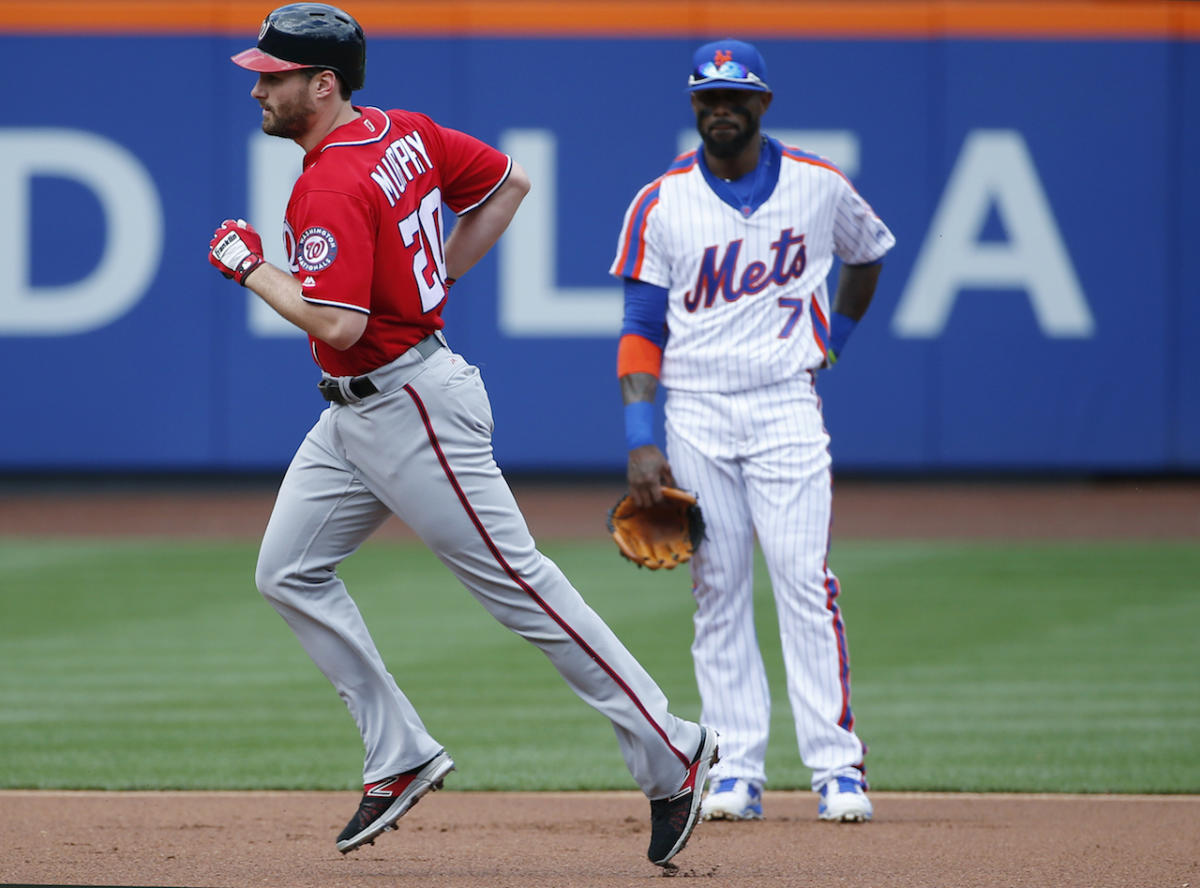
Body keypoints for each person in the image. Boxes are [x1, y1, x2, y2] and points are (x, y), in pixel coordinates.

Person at [207, 3, 717, 866]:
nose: (258, 85)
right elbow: (509, 183)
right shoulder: (401, 130)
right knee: (287, 571)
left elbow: (334, 323)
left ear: (322, 85)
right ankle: (398, 752)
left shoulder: (328, 180)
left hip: (408, 405)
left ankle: (671, 747)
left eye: (275, 75)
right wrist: (432, 275)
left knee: (521, 586)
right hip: (358, 411)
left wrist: (251, 265)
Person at [610, 38, 895, 824]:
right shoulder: (661, 201)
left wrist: (834, 335)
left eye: (736, 96)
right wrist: (643, 437)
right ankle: (735, 767)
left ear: (763, 103)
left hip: (785, 402)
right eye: (709, 96)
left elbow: (868, 254)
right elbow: (640, 326)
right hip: (696, 408)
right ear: (694, 106)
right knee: (718, 586)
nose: (722, 108)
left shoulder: (816, 185)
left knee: (805, 580)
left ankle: (838, 769)